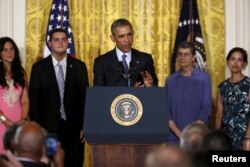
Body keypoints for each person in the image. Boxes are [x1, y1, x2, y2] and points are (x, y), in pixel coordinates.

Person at [29, 28, 89, 167]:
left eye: (63, 39)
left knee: (74, 162)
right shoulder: (38, 68)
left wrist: (86, 125)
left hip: (75, 129)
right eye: (56, 40)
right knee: (50, 163)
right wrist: (38, 129)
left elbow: (85, 98)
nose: (60, 43)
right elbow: (34, 100)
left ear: (68, 42)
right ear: (50, 43)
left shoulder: (80, 66)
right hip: (48, 129)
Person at [165, 41, 211, 143]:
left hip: (196, 136)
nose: (182, 57)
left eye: (186, 54)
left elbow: (206, 108)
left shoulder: (203, 78)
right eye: (180, 54)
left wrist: (191, 134)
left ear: (193, 57)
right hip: (173, 136)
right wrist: (180, 135)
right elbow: (166, 111)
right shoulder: (170, 80)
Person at [93, 18, 158, 87]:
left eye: (129, 34)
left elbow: (154, 89)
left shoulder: (145, 59)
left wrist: (150, 86)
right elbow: (99, 94)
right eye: (121, 36)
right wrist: (131, 92)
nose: (127, 40)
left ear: (133, 34)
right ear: (113, 38)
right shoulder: (101, 62)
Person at [215, 47, 250, 150]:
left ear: (244, 64)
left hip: (243, 136)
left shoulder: (248, 84)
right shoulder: (222, 87)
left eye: (239, 60)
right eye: (232, 59)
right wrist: (215, 137)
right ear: (227, 61)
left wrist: (248, 137)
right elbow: (219, 113)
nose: (235, 63)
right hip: (225, 136)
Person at [0, 37, 29, 153]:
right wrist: (4, 120)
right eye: (5, 50)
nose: (9, 53)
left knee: (16, 159)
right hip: (2, 122)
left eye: (11, 49)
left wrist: (23, 119)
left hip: (18, 124)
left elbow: (25, 100)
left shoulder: (21, 72)